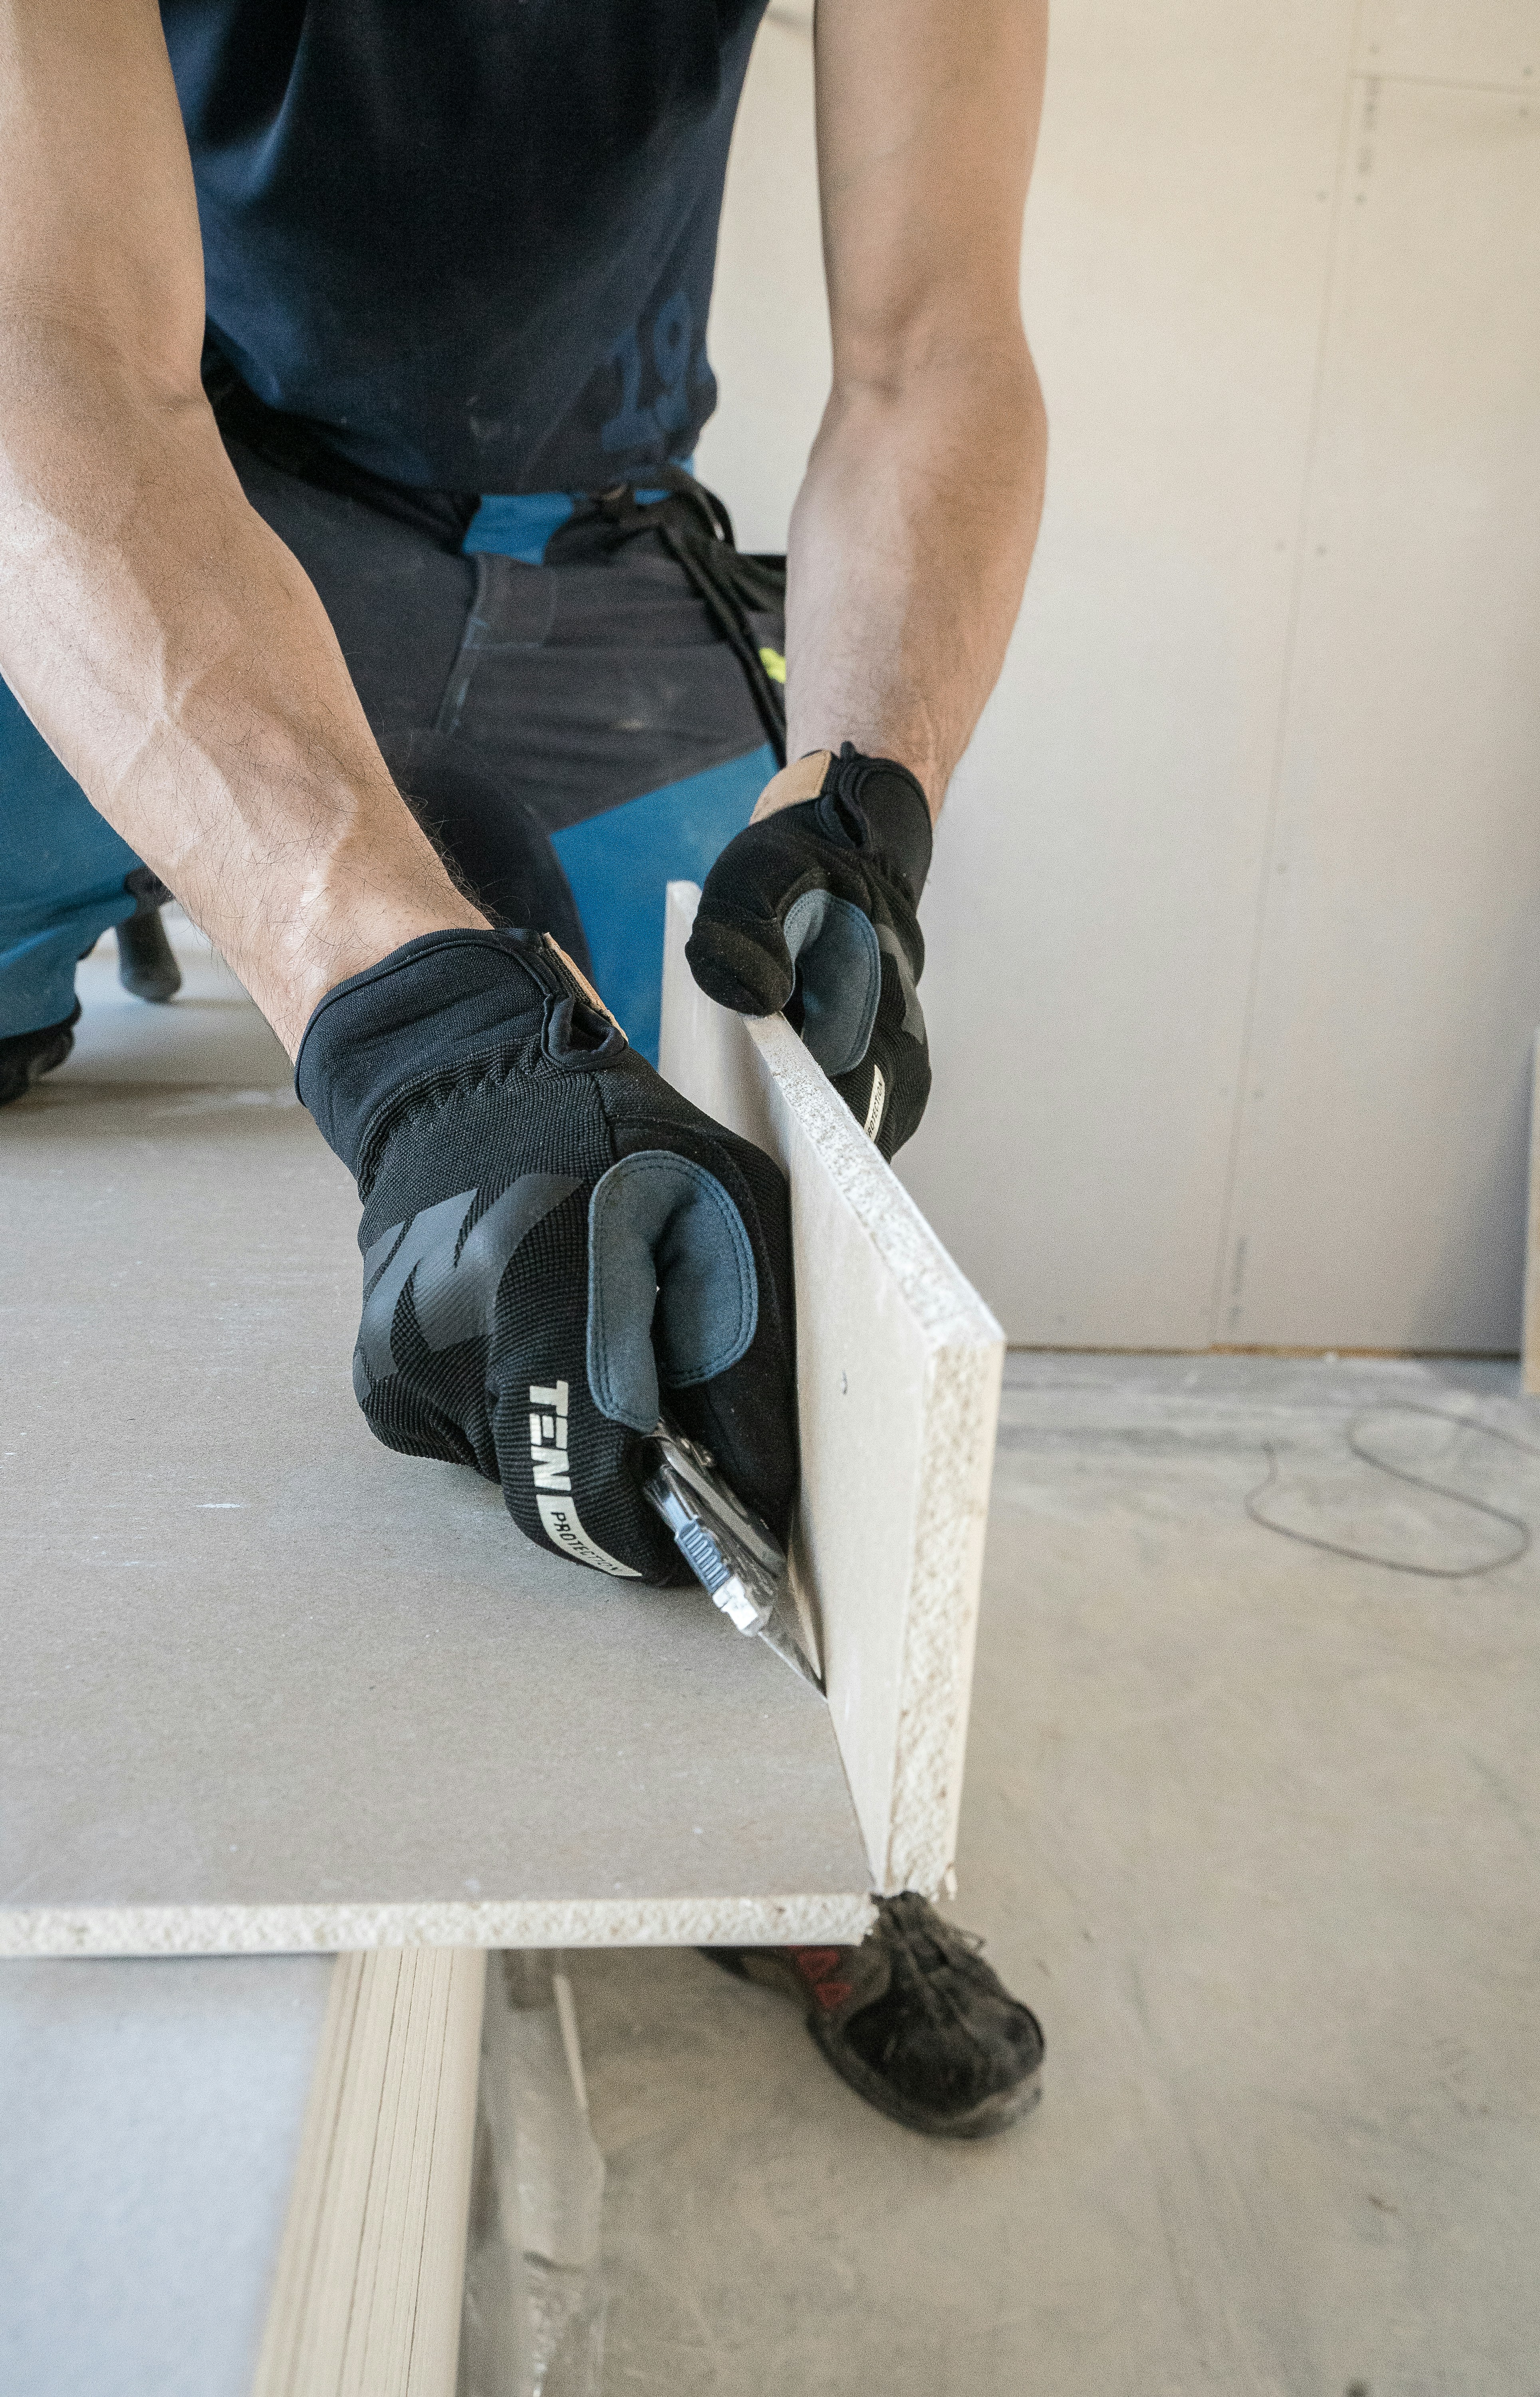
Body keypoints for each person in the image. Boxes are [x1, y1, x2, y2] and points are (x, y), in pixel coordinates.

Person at [0, 0, 1049, 2139]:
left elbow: (934, 343)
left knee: (736, 1210)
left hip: (588, 565)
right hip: (166, 503)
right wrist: (404, 1022)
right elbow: (55, 353)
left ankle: (807, 1841)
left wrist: (870, 809)